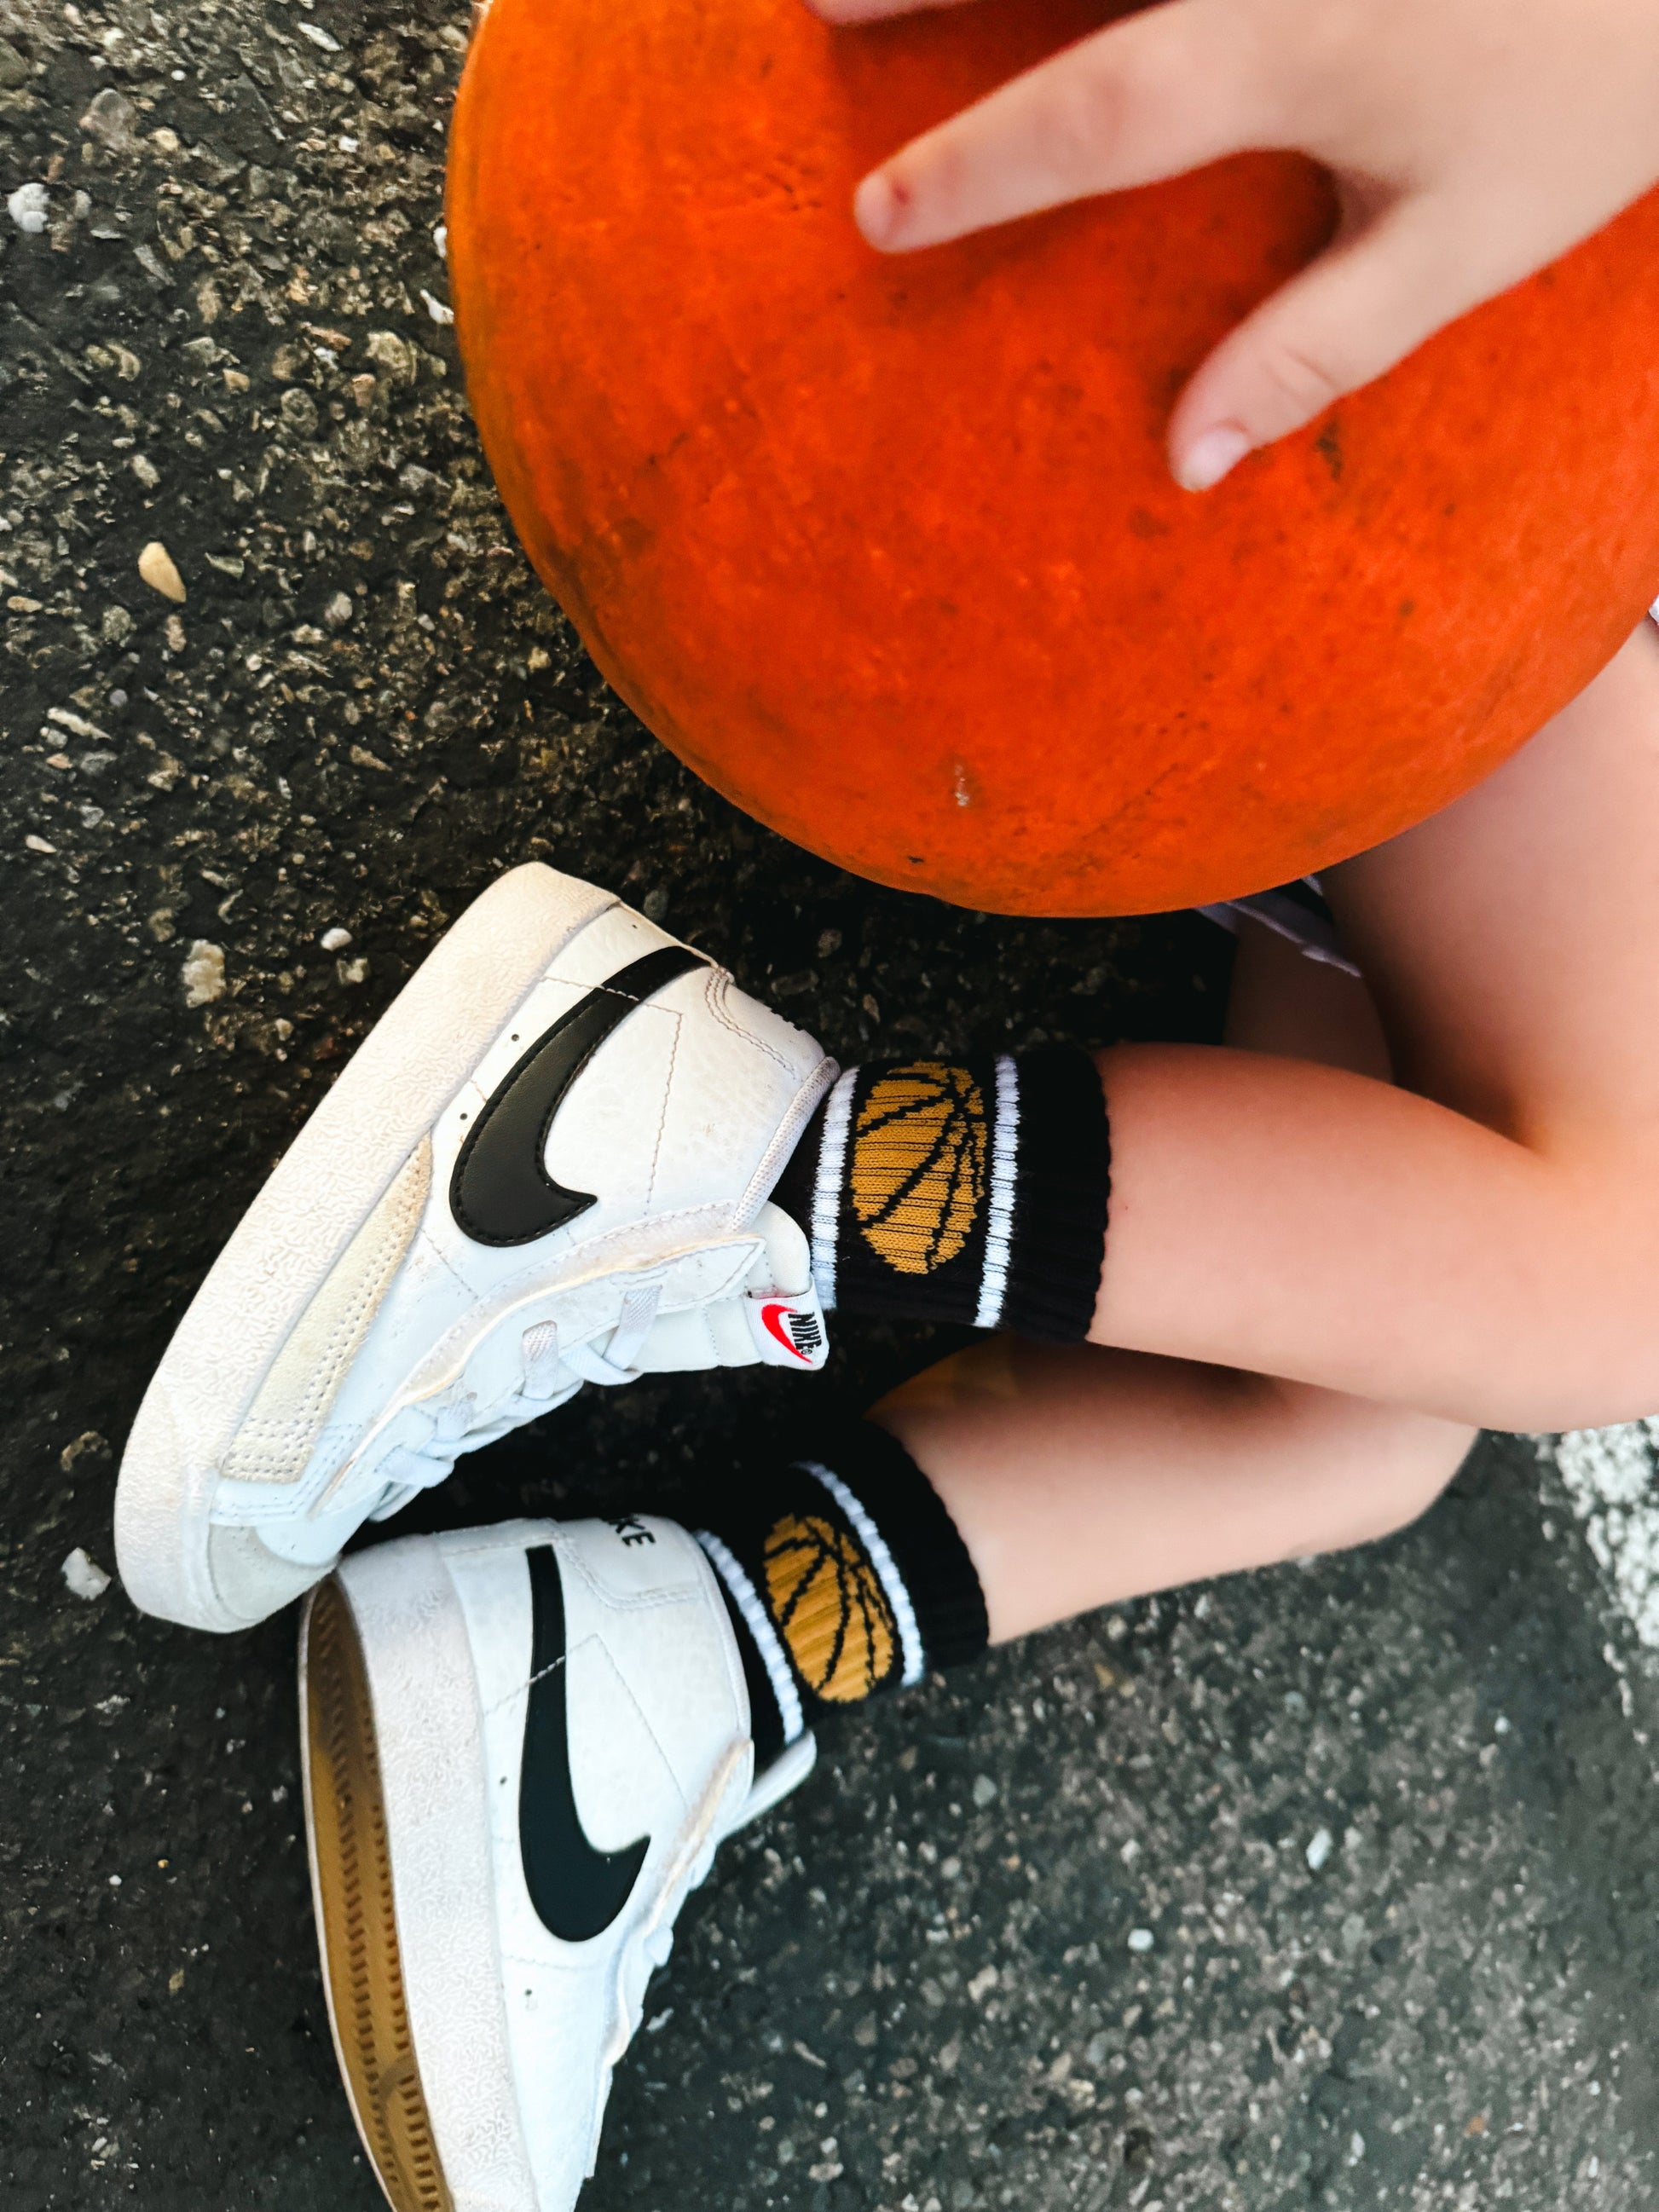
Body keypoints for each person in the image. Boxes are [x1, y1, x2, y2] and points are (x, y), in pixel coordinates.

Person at [112, 0, 1659, 2206]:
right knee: (1625, 1267)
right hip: (1443, 436)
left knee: (1360, 1417)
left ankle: (649, 1666)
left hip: (1445, 535)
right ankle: (728, 1171)